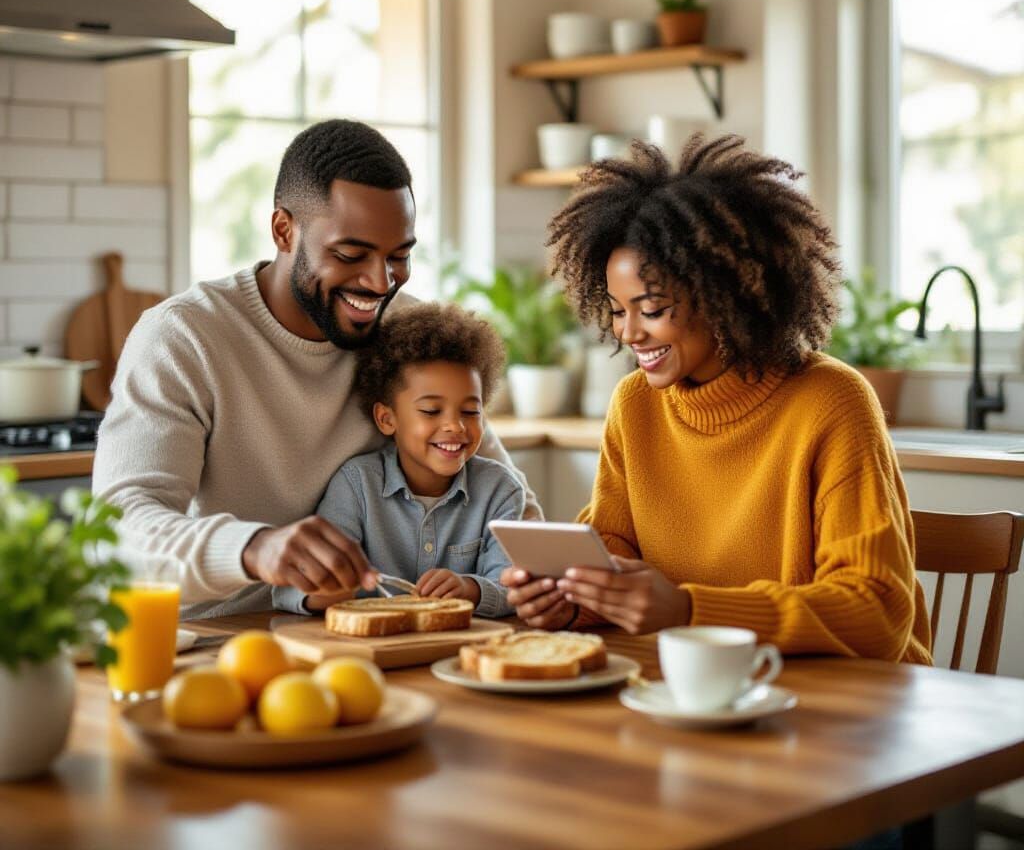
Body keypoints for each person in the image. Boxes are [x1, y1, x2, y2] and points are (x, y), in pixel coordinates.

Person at [502, 134, 931, 666]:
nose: (629, 333)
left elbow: (877, 613)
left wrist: (687, 609)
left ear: (724, 295)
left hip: (850, 704)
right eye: (617, 310)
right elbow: (616, 549)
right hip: (699, 684)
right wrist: (572, 600)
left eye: (652, 308)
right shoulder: (635, 404)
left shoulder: (832, 402)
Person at [93, 119, 540, 619]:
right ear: (284, 230)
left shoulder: (407, 327)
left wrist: (516, 582)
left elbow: (506, 497)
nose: (379, 281)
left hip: (364, 638)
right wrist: (254, 548)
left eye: (399, 256)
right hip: (214, 643)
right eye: (351, 254)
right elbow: (116, 535)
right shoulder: (185, 336)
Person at [273, 302, 523, 618]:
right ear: (387, 419)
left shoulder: (500, 490)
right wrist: (324, 590)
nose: (456, 426)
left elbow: (515, 586)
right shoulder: (357, 485)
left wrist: (470, 589)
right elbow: (290, 587)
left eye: (471, 412)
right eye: (432, 411)